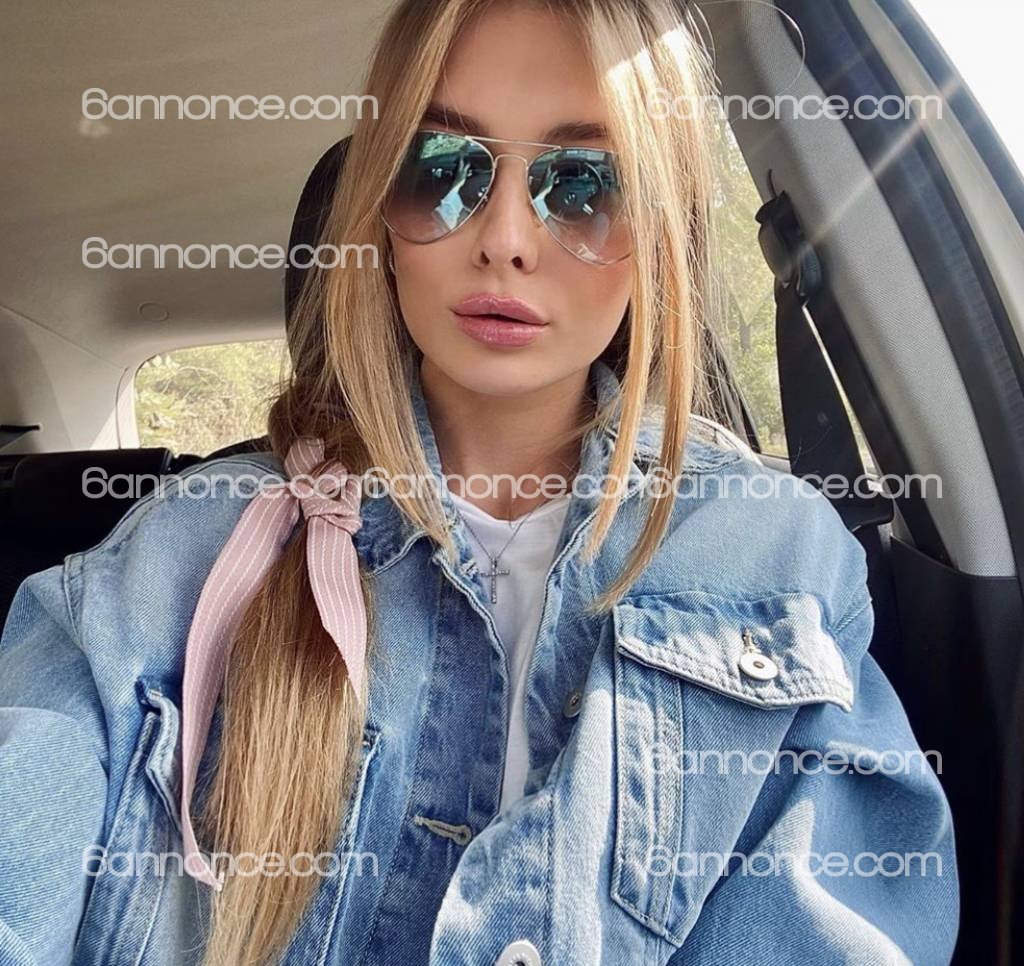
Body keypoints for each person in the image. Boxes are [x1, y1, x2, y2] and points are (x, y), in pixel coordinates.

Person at [0, 0, 959, 964]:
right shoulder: (170, 563)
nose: (505, 237)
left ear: (661, 232)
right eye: (441, 170)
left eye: (584, 183)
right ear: (380, 213)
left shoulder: (776, 559)